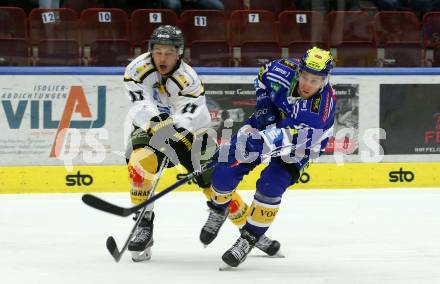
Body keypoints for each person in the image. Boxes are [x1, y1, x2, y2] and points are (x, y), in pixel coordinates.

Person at [122, 25, 280, 262]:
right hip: (150, 125)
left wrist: (173, 132)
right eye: (157, 51)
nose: (162, 58)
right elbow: (139, 104)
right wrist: (157, 124)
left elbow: (188, 116)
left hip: (193, 131)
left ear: (179, 53)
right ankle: (144, 225)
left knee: (215, 186)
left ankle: (250, 231)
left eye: (168, 52)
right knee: (139, 163)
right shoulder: (136, 69)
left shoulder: (189, 80)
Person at [199, 47, 337, 268]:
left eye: (314, 80)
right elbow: (262, 75)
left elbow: (291, 138)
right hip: (267, 124)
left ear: (324, 80)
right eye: (304, 76)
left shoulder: (319, 110)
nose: (307, 84)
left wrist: (260, 140)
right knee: (222, 174)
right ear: (298, 70)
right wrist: (264, 105)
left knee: (270, 186)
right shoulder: (282, 69)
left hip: (302, 145)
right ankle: (219, 208)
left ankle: (248, 239)